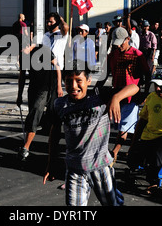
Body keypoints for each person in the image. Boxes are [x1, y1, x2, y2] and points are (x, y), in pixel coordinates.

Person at [43, 63, 139, 206]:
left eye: (78, 80)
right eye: (69, 81)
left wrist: (116, 98)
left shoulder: (99, 96)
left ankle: (116, 199)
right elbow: (54, 134)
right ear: (64, 82)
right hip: (75, 170)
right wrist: (50, 165)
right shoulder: (59, 105)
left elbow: (135, 87)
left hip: (101, 167)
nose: (74, 86)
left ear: (88, 80)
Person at [17, 12, 69, 160]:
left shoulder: (62, 35)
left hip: (55, 74)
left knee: (54, 112)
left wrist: (59, 86)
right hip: (41, 73)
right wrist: (26, 51)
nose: (49, 24)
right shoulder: (45, 36)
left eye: (51, 22)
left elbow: (66, 27)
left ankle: (53, 145)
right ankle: (27, 146)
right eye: (47, 22)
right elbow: (35, 46)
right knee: (36, 110)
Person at [96, 27, 150, 165]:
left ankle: (115, 151)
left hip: (132, 95)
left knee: (124, 127)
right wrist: (97, 88)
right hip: (116, 94)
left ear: (128, 39)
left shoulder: (137, 54)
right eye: (116, 43)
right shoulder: (113, 54)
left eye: (121, 43)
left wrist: (145, 93)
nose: (119, 46)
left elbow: (147, 74)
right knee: (113, 124)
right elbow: (105, 73)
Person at [16, 45, 63, 161]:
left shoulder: (44, 50)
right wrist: (19, 95)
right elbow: (22, 76)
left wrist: (59, 87)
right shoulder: (24, 57)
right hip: (34, 87)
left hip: (49, 86)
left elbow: (57, 67)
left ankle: (27, 147)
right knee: (33, 114)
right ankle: (27, 146)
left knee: (51, 116)